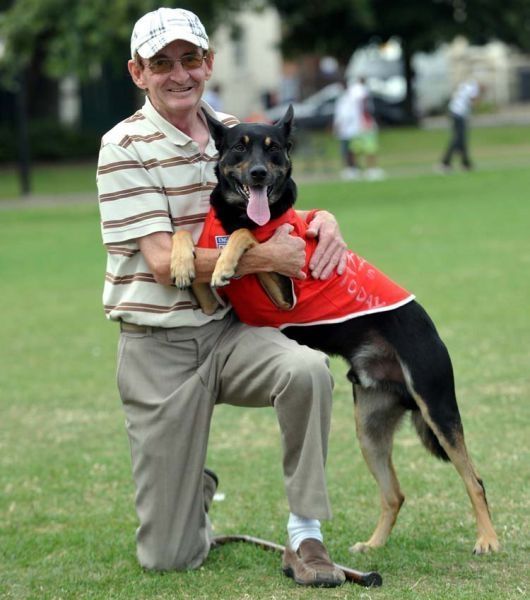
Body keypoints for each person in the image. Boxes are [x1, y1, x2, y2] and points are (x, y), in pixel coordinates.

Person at [96, 7, 349, 587]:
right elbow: (165, 265)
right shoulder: (123, 147)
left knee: (306, 370)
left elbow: (282, 207)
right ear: (138, 72)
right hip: (156, 348)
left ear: (208, 64)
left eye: (190, 60)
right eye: (161, 63)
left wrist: (323, 219)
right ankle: (190, 486)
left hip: (231, 333)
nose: (178, 74)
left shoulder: (238, 133)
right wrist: (266, 257)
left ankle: (305, 535)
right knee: (169, 557)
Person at [439, 78, 483, 172]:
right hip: (459, 114)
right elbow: (474, 102)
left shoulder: (466, 85)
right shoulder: (474, 88)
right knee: (458, 139)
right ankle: (445, 162)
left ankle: (465, 163)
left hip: (454, 112)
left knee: (461, 139)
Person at [348, 77, 385, 181]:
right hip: (364, 123)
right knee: (370, 147)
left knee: (355, 148)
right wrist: (368, 120)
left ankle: (353, 169)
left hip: (355, 125)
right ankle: (371, 169)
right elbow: (364, 107)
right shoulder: (362, 91)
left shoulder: (352, 91)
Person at [333, 81, 361, 180]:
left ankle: (353, 167)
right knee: (344, 150)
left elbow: (349, 114)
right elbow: (338, 114)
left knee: (351, 150)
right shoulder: (341, 99)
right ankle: (348, 168)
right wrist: (337, 125)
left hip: (351, 129)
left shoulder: (351, 99)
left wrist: (343, 123)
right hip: (343, 130)